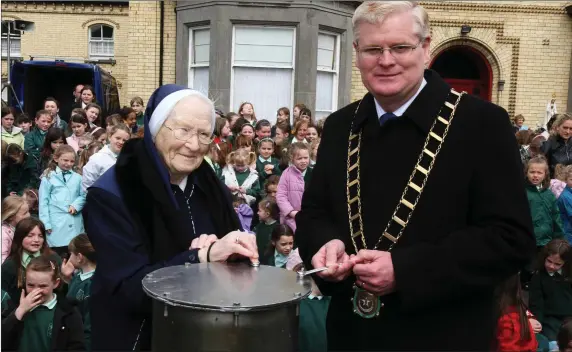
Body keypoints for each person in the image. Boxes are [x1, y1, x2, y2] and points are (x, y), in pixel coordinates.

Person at [295, 2, 535, 350]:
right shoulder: (339, 126)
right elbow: (314, 214)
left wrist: (406, 272)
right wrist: (324, 244)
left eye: (400, 47)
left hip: (445, 336)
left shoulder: (482, 124)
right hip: (352, 336)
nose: (386, 60)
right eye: (373, 49)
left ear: (425, 49)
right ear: (357, 52)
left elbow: (511, 239)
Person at [82, 84, 259, 351]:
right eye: (183, 130)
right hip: (141, 338)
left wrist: (236, 252)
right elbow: (127, 291)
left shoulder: (211, 186)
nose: (193, 144)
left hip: (206, 335)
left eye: (203, 134)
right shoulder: (112, 195)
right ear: (155, 129)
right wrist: (200, 257)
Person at [1, 256, 85, 351]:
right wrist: (19, 312)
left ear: (56, 283)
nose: (36, 291)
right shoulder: (13, 306)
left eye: (43, 286)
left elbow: (77, 347)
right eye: (31, 285)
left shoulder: (69, 312)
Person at [39, 145, 85, 258]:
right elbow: (43, 201)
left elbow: (83, 195)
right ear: (56, 158)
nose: (69, 164)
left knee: (75, 251)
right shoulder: (48, 177)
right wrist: (46, 223)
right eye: (65, 160)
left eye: (72, 161)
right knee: (57, 253)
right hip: (56, 222)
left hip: (74, 221)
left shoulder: (78, 177)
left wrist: (76, 205)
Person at [529, 239, 572, 348]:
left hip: (569, 317)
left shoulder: (569, 274)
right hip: (550, 319)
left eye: (557, 264)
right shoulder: (538, 276)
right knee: (552, 343)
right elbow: (536, 304)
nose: (552, 266)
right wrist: (536, 321)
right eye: (549, 261)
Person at [1, 196, 30, 263]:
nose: (29, 215)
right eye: (25, 213)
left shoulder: (23, 228)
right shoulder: (3, 235)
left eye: (28, 211)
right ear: (11, 216)